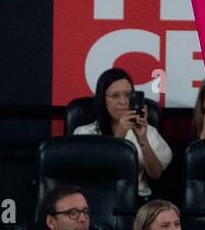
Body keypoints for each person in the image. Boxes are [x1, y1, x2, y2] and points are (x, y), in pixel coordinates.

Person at [73, 67, 173, 199]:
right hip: (98, 198)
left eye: (128, 95)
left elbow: (155, 174)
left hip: (137, 199)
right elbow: (90, 173)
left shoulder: (147, 130)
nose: (123, 101)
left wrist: (142, 139)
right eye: (115, 96)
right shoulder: (85, 133)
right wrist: (118, 137)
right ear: (103, 99)